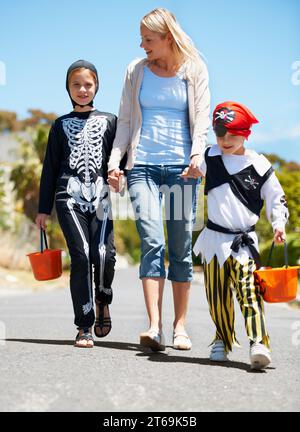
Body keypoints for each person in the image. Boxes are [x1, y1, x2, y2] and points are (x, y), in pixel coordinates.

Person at [108, 8, 210, 351]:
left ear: (168, 37)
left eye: (148, 39)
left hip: (183, 170)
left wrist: (198, 155)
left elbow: (202, 120)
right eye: (141, 39)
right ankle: (155, 327)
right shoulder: (135, 71)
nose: (142, 45)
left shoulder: (194, 70)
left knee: (180, 248)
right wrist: (114, 162)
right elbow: (124, 121)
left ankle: (180, 326)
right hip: (143, 168)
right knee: (152, 240)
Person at [193, 101, 289, 369]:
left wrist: (278, 223)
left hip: (243, 244)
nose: (225, 140)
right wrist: (189, 172)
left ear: (246, 134)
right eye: (220, 134)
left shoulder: (259, 165)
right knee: (217, 298)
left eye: (232, 135)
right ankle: (221, 339)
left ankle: (259, 342)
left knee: (249, 293)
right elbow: (190, 169)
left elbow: (276, 198)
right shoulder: (208, 156)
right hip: (213, 241)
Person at [36, 60, 117, 348]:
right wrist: (43, 209)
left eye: (88, 84)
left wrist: (122, 176)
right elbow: (50, 167)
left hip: (101, 195)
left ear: (96, 87)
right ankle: (84, 324)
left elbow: (118, 159)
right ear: (68, 88)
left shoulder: (110, 121)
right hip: (67, 195)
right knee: (82, 254)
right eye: (76, 85)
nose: (82, 90)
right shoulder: (59, 125)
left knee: (103, 252)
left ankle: (102, 300)